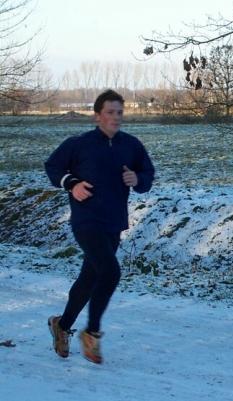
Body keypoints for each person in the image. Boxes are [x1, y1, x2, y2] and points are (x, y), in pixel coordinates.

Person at [44, 89, 155, 364]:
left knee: (90, 278)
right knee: (110, 272)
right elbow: (52, 167)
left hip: (114, 222)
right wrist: (72, 183)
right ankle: (91, 333)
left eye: (119, 112)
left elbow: (147, 175)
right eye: (110, 112)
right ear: (97, 116)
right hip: (86, 220)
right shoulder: (79, 144)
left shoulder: (131, 145)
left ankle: (62, 324)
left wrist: (136, 179)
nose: (116, 118)